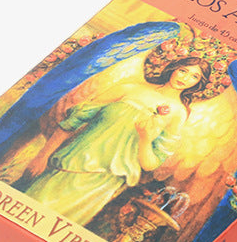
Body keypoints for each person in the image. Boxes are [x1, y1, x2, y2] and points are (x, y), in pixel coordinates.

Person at [21, 56, 211, 226]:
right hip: (69, 162)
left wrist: (145, 139)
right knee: (28, 209)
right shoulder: (129, 88)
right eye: (183, 70)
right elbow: (73, 121)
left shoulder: (178, 113)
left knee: (55, 225)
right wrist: (42, 156)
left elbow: (150, 164)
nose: (185, 78)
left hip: (104, 180)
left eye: (194, 76)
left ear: (198, 83)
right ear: (173, 68)